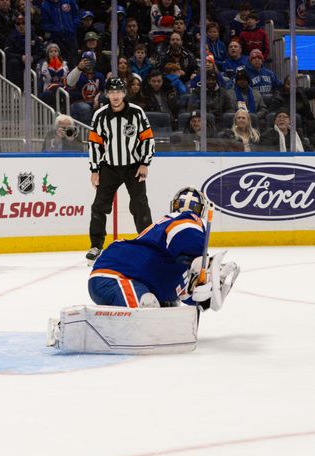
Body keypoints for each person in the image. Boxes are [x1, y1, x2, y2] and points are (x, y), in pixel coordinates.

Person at [89, 187, 238, 311]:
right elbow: (185, 230)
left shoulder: (177, 254)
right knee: (147, 308)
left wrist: (209, 297)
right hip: (117, 275)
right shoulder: (184, 220)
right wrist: (199, 260)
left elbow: (188, 295)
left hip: (119, 277)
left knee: (170, 304)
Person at [86, 77, 155, 262]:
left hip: (133, 166)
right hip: (109, 167)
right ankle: (95, 245)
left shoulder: (136, 113)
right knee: (99, 206)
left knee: (140, 205)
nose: (115, 96)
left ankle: (148, 243)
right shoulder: (100, 115)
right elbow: (94, 144)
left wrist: (144, 163)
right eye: (112, 92)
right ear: (107, 94)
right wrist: (94, 169)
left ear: (124, 93)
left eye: (118, 92)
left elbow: (147, 139)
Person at [67, 51, 106, 125]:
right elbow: (69, 83)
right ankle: (87, 134)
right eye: (85, 60)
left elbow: (103, 91)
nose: (87, 62)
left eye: (90, 60)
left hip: (94, 102)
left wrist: (97, 98)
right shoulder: (78, 73)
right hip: (78, 103)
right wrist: (78, 68)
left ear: (94, 61)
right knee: (85, 108)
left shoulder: (99, 76)